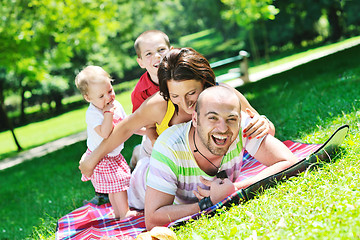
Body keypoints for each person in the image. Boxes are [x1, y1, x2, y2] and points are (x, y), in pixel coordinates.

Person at [79, 48, 275, 210]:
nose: (186, 104)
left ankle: (141, 154)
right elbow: (125, 128)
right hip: (161, 174)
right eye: (175, 96)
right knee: (133, 188)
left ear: (205, 82)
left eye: (192, 93)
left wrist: (264, 123)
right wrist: (93, 158)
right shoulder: (160, 105)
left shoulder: (224, 96)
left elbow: (265, 129)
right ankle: (140, 158)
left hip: (203, 175)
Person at [144, 85, 298, 229]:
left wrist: (235, 189)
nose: (223, 128)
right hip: (141, 183)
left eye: (231, 119)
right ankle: (140, 154)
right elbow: (152, 219)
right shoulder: (168, 147)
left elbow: (289, 161)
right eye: (213, 118)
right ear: (195, 120)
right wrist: (209, 203)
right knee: (142, 166)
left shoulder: (242, 125)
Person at [75, 66, 139, 220]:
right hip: (101, 157)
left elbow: (126, 124)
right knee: (117, 186)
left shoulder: (115, 106)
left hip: (112, 154)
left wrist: (144, 130)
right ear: (88, 98)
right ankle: (123, 213)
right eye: (101, 96)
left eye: (110, 91)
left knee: (115, 186)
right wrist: (108, 113)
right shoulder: (93, 114)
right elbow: (105, 133)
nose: (108, 98)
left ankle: (118, 213)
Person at [130, 30, 173, 169]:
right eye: (148, 53)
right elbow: (145, 125)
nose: (156, 56)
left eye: (161, 50)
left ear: (171, 51)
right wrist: (155, 139)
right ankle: (138, 153)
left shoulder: (182, 75)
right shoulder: (140, 92)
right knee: (149, 164)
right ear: (140, 62)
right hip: (155, 132)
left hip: (183, 126)